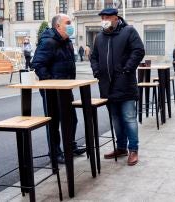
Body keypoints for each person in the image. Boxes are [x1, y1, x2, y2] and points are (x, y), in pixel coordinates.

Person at [90, 8, 145, 166]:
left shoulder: (128, 31)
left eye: (107, 17)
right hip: (107, 86)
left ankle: (133, 149)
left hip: (125, 84)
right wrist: (96, 71)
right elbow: (94, 57)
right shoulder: (99, 37)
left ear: (116, 18)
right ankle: (121, 147)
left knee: (128, 118)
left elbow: (139, 50)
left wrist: (128, 68)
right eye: (102, 18)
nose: (104, 20)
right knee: (115, 119)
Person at [31, 14, 86, 164]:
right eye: (68, 23)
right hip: (52, 90)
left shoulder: (66, 41)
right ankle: (55, 153)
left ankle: (70, 146)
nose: (71, 25)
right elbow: (37, 64)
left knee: (71, 119)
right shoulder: (48, 42)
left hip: (65, 88)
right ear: (58, 26)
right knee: (54, 122)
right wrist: (50, 82)